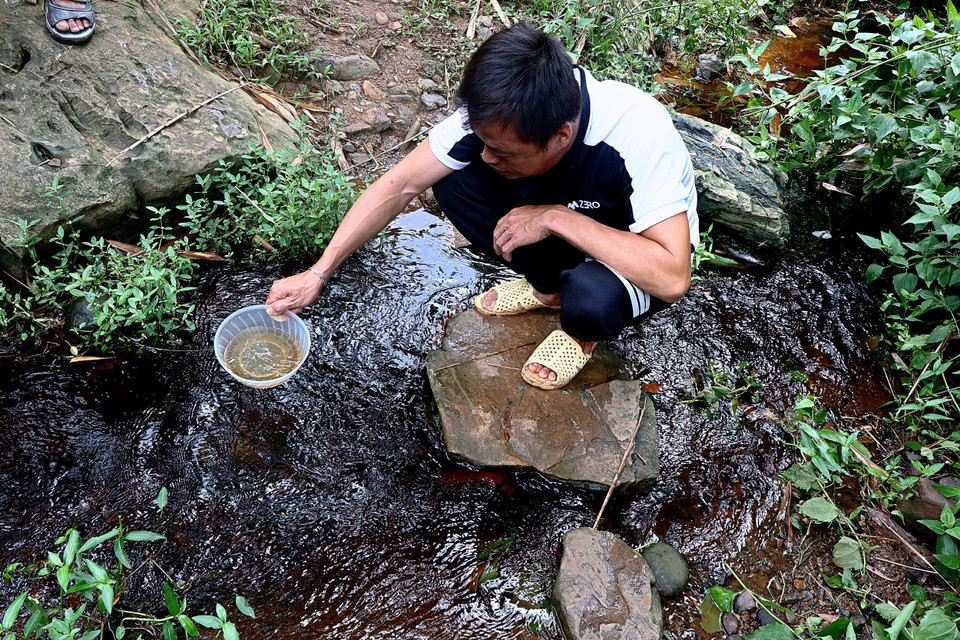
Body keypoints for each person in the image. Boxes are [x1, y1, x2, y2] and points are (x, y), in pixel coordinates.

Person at [265, 22, 699, 390]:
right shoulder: (502, 112)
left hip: (632, 250)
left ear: (561, 136)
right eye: (485, 142)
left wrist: (554, 217)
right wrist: (319, 271)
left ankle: (579, 333)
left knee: (588, 301)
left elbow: (673, 276)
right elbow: (399, 186)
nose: (489, 156)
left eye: (503, 151)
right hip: (560, 214)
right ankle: (548, 290)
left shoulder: (636, 134)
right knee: (454, 180)